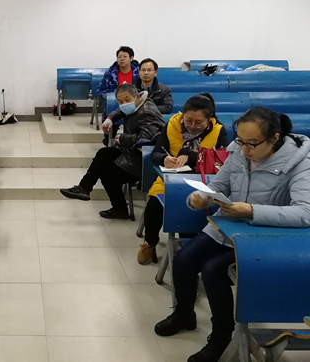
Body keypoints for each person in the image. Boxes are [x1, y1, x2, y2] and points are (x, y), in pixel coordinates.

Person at [154, 107, 310, 362]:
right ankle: (184, 314)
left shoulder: (300, 163)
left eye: (252, 143)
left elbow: (305, 213)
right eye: (240, 140)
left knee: (213, 270)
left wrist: (251, 210)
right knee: (184, 260)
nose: (244, 148)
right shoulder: (238, 152)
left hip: (265, 238)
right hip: (228, 227)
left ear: (274, 138)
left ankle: (220, 336)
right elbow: (219, 185)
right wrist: (202, 197)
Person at [137, 93, 229, 265]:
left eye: (199, 123)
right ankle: (150, 242)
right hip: (171, 178)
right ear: (183, 115)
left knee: (194, 210)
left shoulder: (218, 131)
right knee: (154, 204)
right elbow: (156, 153)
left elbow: (222, 159)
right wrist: (164, 159)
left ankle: (189, 250)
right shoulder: (172, 125)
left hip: (203, 180)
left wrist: (192, 157)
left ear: (209, 119)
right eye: (188, 121)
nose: (192, 126)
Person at [60, 84, 165, 219]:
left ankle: (120, 210)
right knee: (104, 153)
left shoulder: (147, 112)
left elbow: (146, 138)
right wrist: (110, 119)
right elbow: (122, 111)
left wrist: (122, 138)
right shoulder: (137, 104)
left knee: (107, 175)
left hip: (144, 159)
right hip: (133, 153)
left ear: (137, 96)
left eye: (127, 100)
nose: (124, 104)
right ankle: (84, 188)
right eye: (120, 101)